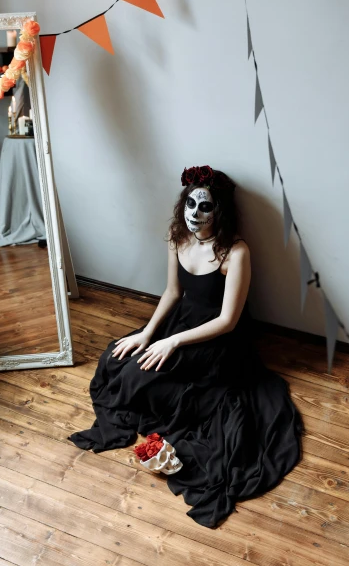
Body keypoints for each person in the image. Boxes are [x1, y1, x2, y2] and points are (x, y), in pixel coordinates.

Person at [68, 165, 304, 528]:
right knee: (121, 365)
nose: (195, 214)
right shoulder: (176, 236)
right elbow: (172, 292)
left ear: (220, 210)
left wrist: (173, 342)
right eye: (190, 204)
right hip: (180, 323)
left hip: (216, 339)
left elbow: (228, 320)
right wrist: (148, 334)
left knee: (180, 394)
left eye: (205, 207)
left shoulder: (236, 252)